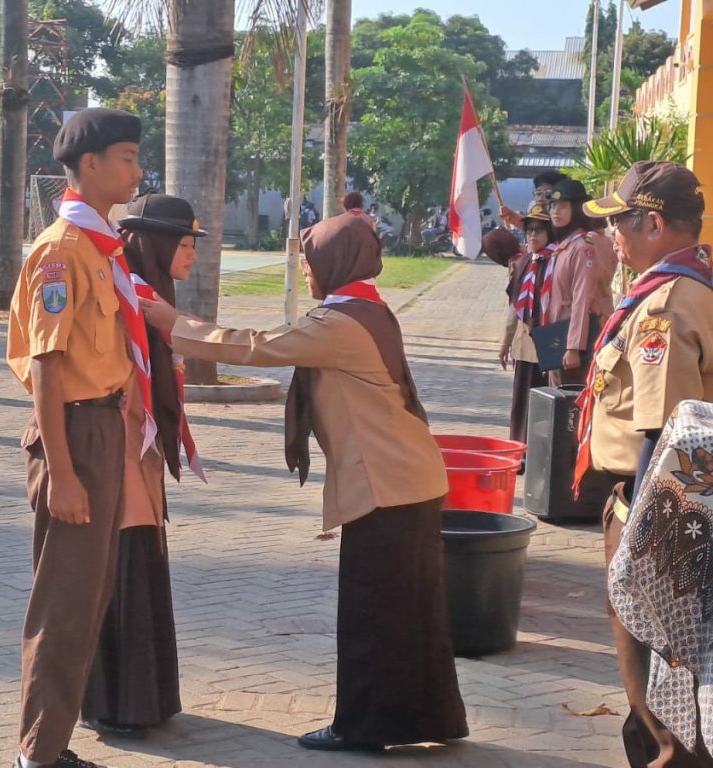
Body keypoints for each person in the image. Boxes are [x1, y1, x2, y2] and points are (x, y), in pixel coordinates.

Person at [140, 213, 468, 752]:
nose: (306, 271)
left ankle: (363, 728)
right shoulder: (368, 307)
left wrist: (175, 323)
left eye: (309, 261)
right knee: (409, 612)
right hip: (408, 478)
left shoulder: (340, 324)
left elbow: (259, 346)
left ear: (335, 263)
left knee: (371, 611)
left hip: (388, 486)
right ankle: (425, 718)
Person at [577, 161, 713, 767]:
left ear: (653, 222)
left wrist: (640, 543)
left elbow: (662, 432)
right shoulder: (693, 287)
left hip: (658, 507)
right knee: (667, 680)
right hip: (684, 506)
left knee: (658, 693)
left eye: (619, 222)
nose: (612, 235)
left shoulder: (664, 308)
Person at [5, 107, 143, 768]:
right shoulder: (63, 251)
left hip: (101, 427)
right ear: (88, 165)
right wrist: (61, 471)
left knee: (89, 593)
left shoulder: (99, 247)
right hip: (74, 433)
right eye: (125, 157)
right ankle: (37, 755)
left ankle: (50, 745)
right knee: (64, 600)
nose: (136, 171)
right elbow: (47, 366)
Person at [79, 193, 208, 736]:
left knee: (141, 565)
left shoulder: (151, 297)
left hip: (143, 456)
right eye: (183, 244)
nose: (191, 256)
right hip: (122, 451)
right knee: (127, 568)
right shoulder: (125, 294)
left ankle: (142, 699)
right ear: (153, 243)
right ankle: (121, 704)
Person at [495, 204, 556, 444]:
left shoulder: (557, 261)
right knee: (522, 402)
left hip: (549, 343)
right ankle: (520, 449)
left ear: (550, 234)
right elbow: (514, 306)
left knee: (545, 404)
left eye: (539, 230)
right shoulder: (524, 263)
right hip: (524, 344)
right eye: (529, 230)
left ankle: (540, 453)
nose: (533, 235)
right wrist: (505, 342)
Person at [545, 177, 612, 386]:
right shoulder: (565, 246)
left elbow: (581, 299)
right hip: (558, 335)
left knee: (570, 406)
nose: (556, 211)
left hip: (574, 342)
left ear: (577, 209)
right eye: (553, 205)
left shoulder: (583, 248)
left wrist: (574, 347)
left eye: (563, 206)